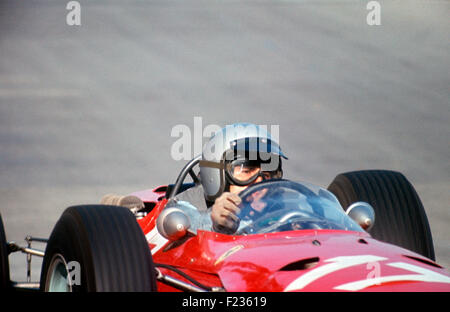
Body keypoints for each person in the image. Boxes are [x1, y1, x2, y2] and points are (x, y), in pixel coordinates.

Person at [198, 123, 288, 234]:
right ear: (217, 176)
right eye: (246, 172)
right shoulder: (186, 217)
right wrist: (216, 230)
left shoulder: (289, 211)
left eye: (267, 175)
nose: (260, 183)